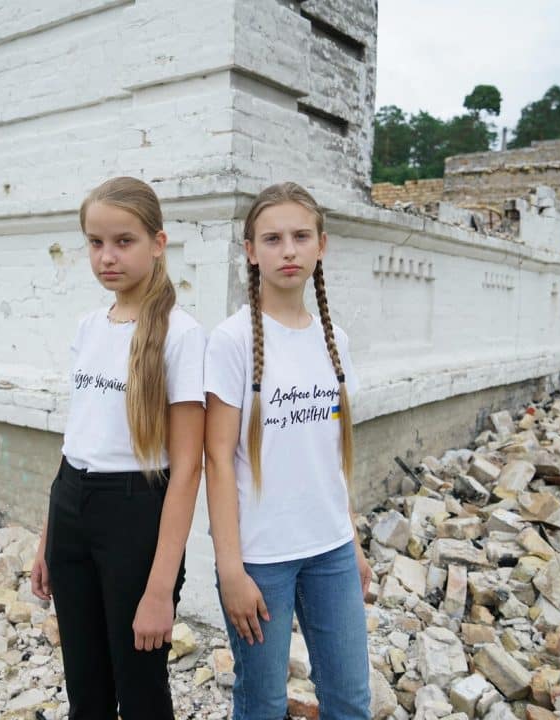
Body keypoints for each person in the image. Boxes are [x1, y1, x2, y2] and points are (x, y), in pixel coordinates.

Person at [30, 176, 206, 720]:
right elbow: (77, 440)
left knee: (141, 687)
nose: (107, 257)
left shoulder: (180, 334)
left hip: (135, 514)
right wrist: (48, 538)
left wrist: (159, 591)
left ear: (158, 243)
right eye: (95, 242)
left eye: (123, 241)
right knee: (84, 686)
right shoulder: (88, 326)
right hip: (72, 506)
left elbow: (187, 470)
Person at [204, 182, 372, 720]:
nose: (289, 250)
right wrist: (230, 568)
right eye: (272, 239)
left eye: (301, 236)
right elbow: (218, 461)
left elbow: (329, 452)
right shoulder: (231, 342)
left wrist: (353, 538)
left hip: (332, 551)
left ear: (322, 244)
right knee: (263, 703)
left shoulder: (334, 339)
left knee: (350, 698)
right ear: (251, 251)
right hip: (262, 560)